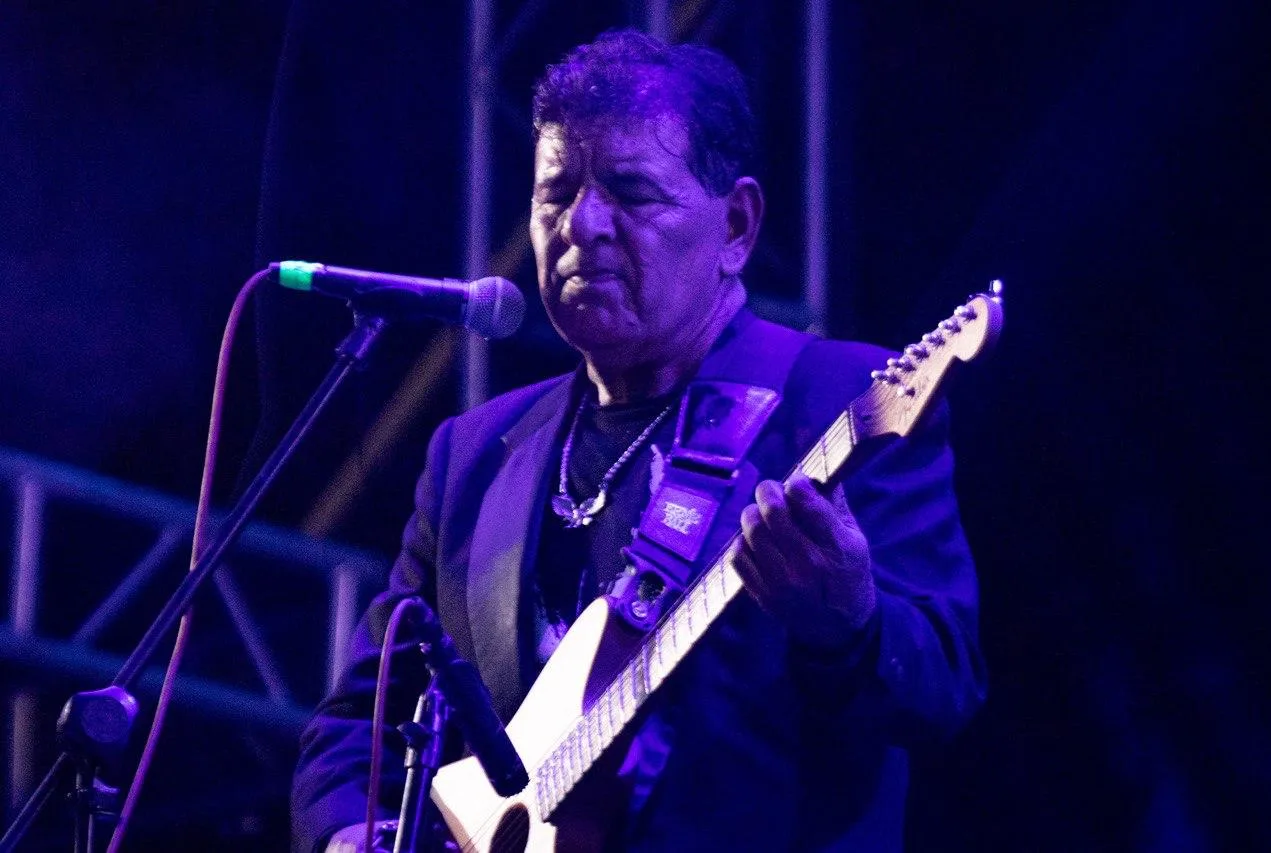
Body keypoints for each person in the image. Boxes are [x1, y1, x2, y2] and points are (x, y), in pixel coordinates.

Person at [291, 29, 985, 853]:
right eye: (556, 194)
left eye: (632, 192)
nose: (583, 224)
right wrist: (345, 832)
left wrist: (852, 622)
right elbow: (358, 721)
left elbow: (943, 685)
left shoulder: (839, 401)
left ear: (736, 226)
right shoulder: (472, 454)